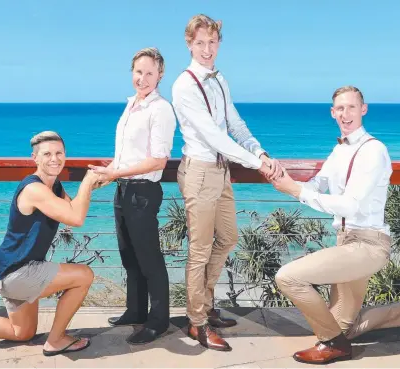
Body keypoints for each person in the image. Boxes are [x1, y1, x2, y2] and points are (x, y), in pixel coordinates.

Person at [271, 86, 400, 365]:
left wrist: (296, 192)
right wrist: (283, 178)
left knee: (288, 277)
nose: (345, 113)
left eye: (351, 107)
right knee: (346, 327)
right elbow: (317, 184)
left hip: (367, 245)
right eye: (340, 108)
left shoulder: (373, 151)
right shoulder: (340, 150)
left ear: (363, 109)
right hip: (347, 243)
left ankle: (333, 344)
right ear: (332, 113)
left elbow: (351, 205)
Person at [0, 131, 102, 357]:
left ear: (65, 155)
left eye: (59, 153)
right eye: (47, 154)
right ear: (35, 158)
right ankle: (56, 340)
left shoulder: (54, 186)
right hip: (18, 272)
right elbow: (77, 219)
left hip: (8, 270)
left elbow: (70, 211)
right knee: (84, 275)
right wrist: (87, 181)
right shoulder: (34, 188)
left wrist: (93, 184)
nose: (54, 159)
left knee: (21, 332)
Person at [171, 14, 282, 352]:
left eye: (212, 42)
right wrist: (257, 163)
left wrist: (258, 150)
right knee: (200, 249)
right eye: (200, 43)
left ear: (219, 42)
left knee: (228, 237)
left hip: (220, 171)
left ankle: (204, 305)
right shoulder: (184, 85)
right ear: (189, 44)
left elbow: (234, 122)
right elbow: (213, 136)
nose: (207, 49)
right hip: (200, 171)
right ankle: (198, 323)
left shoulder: (220, 80)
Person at [88, 47, 176, 345]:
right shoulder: (132, 105)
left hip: (143, 192)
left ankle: (158, 321)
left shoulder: (160, 109)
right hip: (123, 188)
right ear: (132, 73)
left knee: (149, 258)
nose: (143, 78)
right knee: (129, 256)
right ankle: (135, 311)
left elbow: (158, 161)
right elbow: (126, 155)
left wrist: (115, 173)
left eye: (150, 72)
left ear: (160, 75)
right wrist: (108, 172)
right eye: (139, 72)